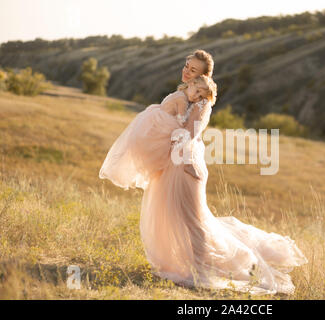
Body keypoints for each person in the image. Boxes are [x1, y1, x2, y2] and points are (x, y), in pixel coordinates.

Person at [99, 50, 308, 295]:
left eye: (193, 70)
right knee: (174, 216)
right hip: (173, 164)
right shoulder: (185, 92)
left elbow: (189, 134)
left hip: (186, 165)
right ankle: (186, 264)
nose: (186, 71)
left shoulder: (202, 103)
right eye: (186, 66)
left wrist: (181, 158)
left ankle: (201, 269)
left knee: (193, 221)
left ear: (204, 77)